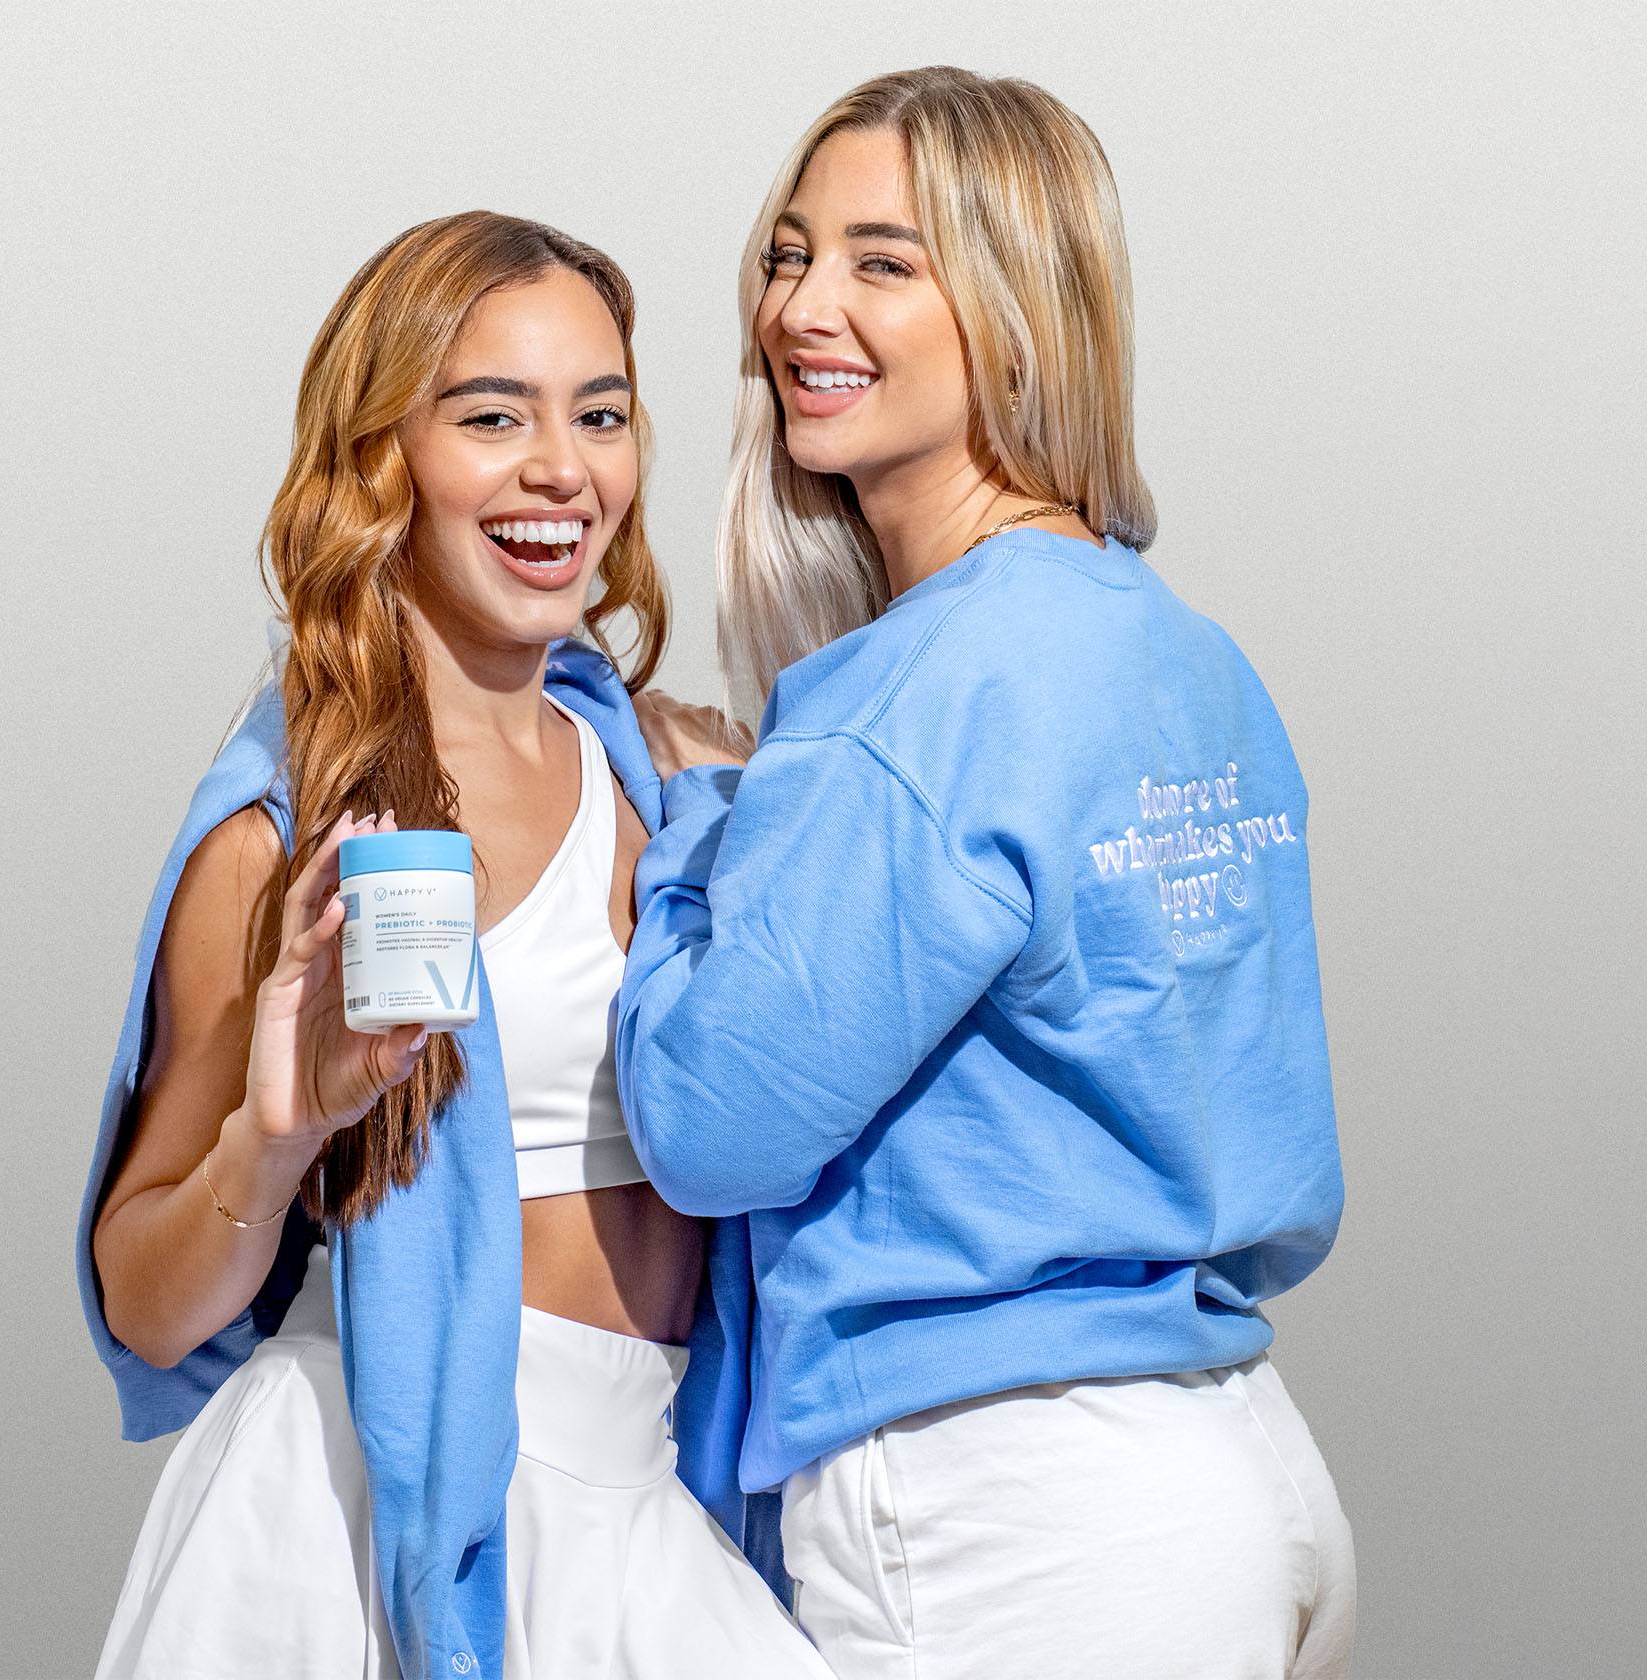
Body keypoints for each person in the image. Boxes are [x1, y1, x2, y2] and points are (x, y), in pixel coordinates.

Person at [622, 67, 1357, 1679]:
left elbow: (704, 1126)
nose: (804, 308)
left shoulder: (923, 691)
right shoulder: (1177, 652)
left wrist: (698, 829)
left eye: (887, 263)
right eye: (789, 253)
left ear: (1020, 314)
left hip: (1018, 1511)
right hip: (1239, 1472)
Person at [77, 211, 830, 1680]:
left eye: (599, 414)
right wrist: (278, 1137)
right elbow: (146, 1303)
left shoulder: (666, 781)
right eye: (494, 417)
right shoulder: (290, 840)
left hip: (648, 1495)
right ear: (385, 461)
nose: (563, 468)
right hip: (360, 1513)